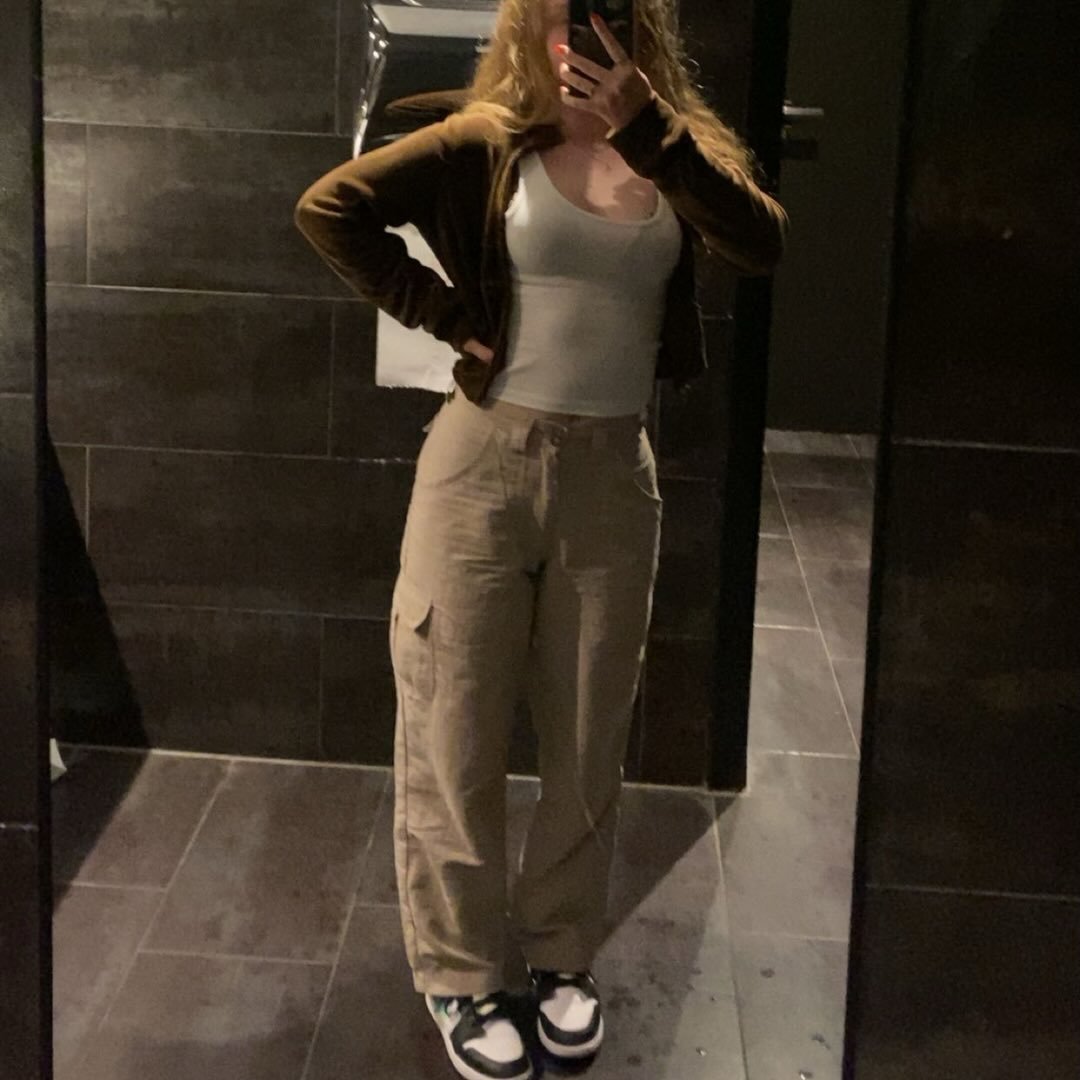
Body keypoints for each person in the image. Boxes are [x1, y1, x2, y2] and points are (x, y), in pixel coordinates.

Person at [295, 1, 787, 1076]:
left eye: (601, 19)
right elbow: (331, 207)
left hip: (611, 475)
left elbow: (762, 242)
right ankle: (462, 973)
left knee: (589, 732)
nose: (578, 43)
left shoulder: (674, 149)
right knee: (454, 729)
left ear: (640, 28)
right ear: (527, 28)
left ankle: (562, 954)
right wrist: (437, 312)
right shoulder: (487, 140)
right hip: (482, 469)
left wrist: (650, 132)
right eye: (560, 21)